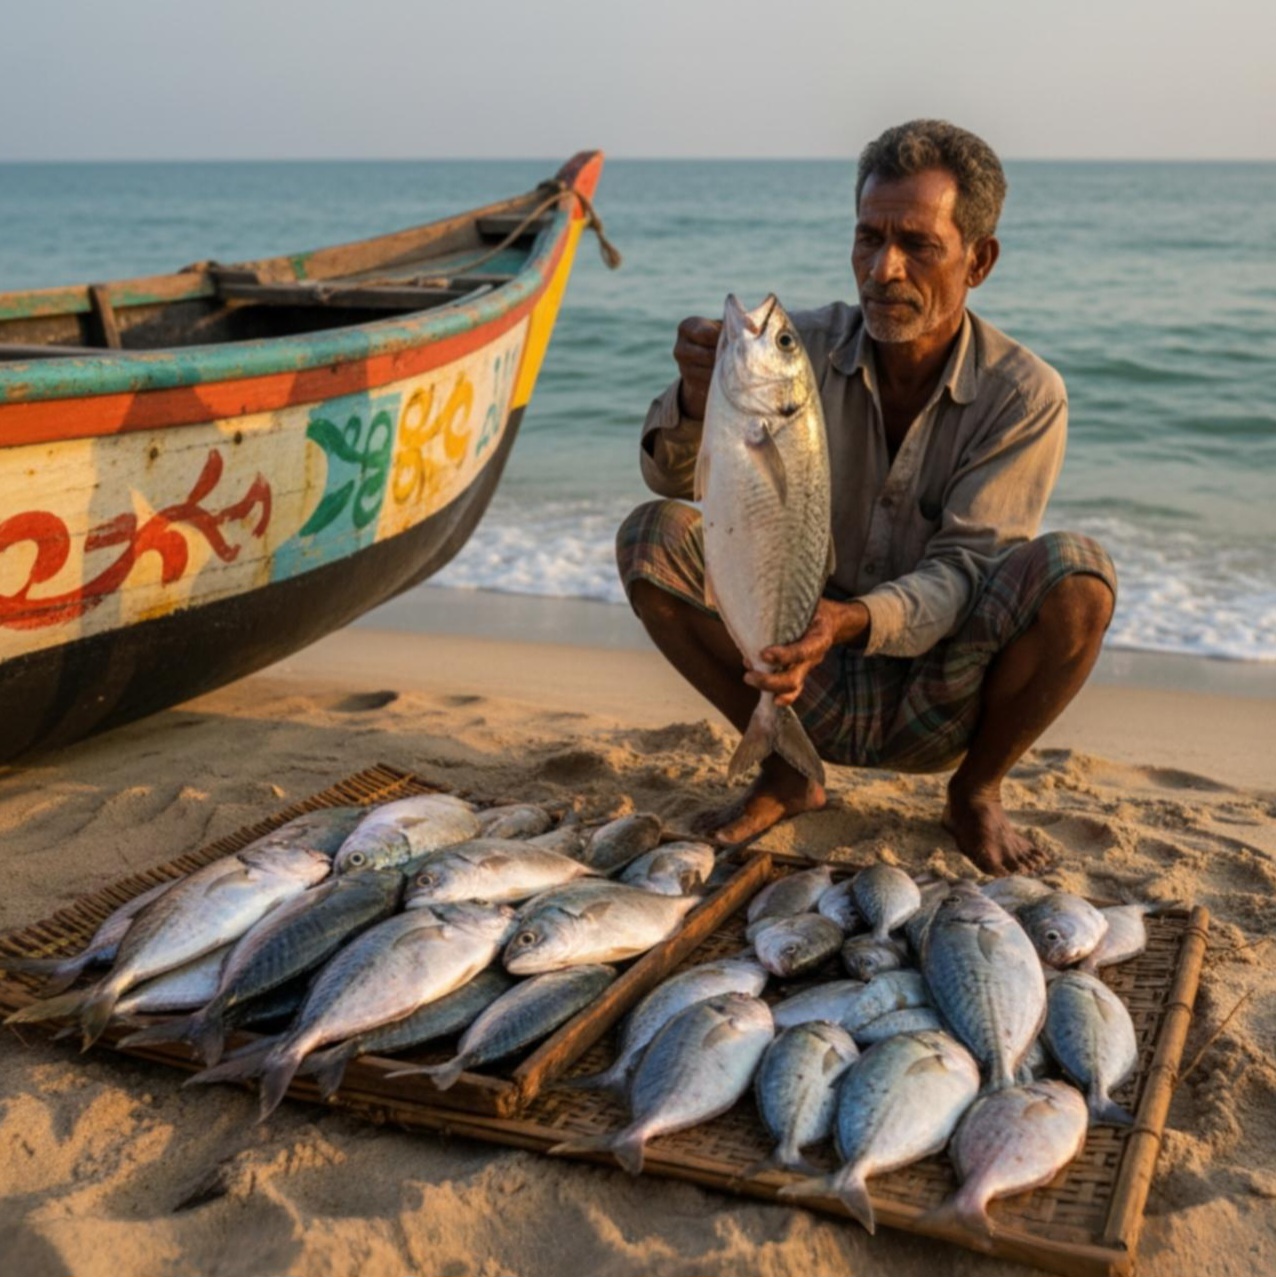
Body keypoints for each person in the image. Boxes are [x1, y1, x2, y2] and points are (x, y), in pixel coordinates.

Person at [615, 119, 1118, 876]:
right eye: (868, 238)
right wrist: (693, 398)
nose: (884, 269)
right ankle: (787, 769)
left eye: (917, 244)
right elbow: (674, 478)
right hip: (793, 675)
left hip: (941, 696)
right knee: (651, 536)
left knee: (1078, 578)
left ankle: (975, 791)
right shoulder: (793, 352)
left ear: (979, 260)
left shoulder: (1024, 394)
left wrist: (849, 620)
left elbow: (968, 570)